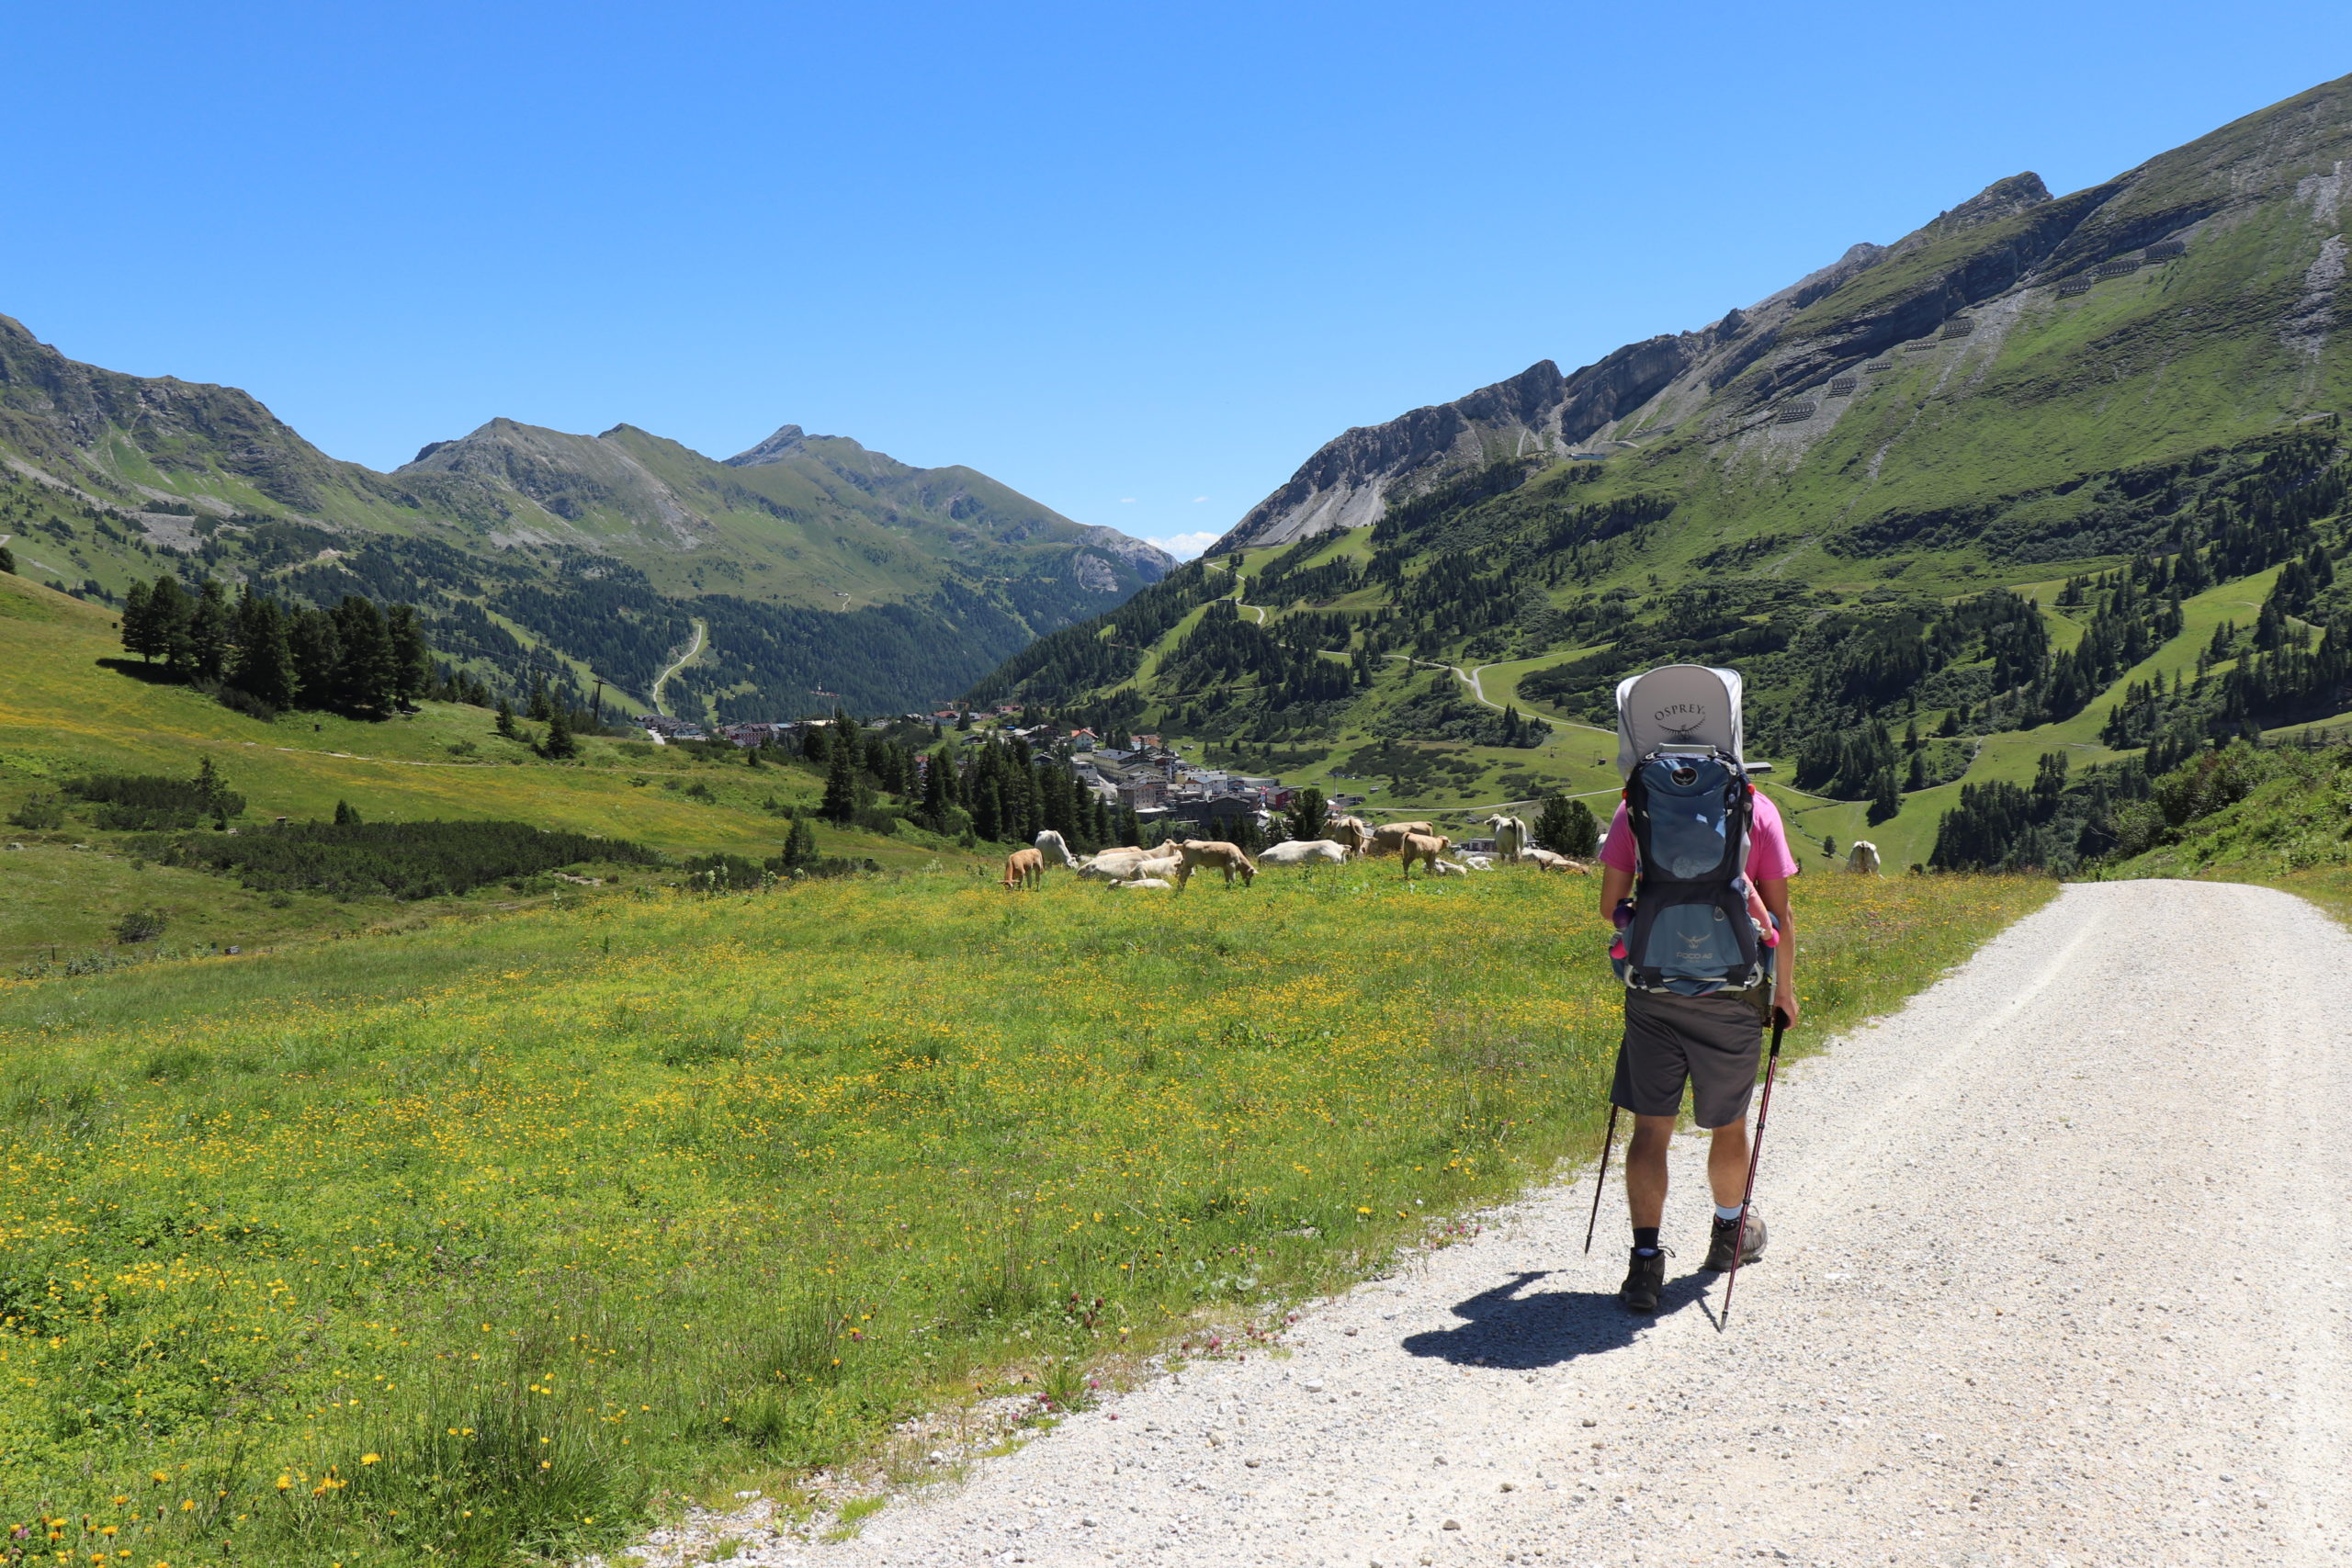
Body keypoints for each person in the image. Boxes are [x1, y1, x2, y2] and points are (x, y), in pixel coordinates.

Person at [1596, 784, 1799, 1313]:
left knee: (1651, 1127)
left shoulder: (1634, 806)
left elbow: (1608, 907)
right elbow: (1780, 915)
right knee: (1729, 1123)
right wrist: (1784, 993)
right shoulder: (1756, 809)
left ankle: (1644, 1265)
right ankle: (1729, 1235)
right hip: (1733, 993)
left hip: (1653, 991)